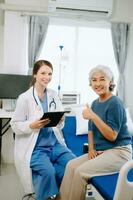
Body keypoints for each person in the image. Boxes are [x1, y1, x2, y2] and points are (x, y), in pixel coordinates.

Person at [58, 65, 132, 200]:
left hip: (119, 152)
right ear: (90, 83)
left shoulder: (115, 103)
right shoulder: (95, 103)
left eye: (102, 79)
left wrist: (93, 116)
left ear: (110, 82)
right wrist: (91, 149)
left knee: (80, 172)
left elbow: (112, 135)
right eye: (94, 80)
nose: (97, 83)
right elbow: (91, 129)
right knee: (70, 165)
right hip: (102, 151)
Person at [10, 60, 76, 200]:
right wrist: (31, 126)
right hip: (35, 148)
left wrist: (60, 121)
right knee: (48, 172)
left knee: (73, 164)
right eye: (43, 73)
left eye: (50, 73)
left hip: (54, 144)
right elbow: (15, 125)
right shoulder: (25, 98)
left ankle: (61, 194)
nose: (47, 77)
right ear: (35, 74)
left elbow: (59, 126)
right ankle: (48, 196)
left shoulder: (53, 95)